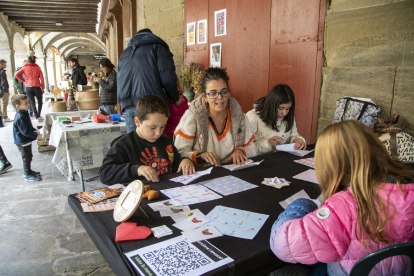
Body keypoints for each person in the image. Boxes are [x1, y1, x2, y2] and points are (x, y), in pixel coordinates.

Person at [270, 120, 414, 276]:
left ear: (333, 165)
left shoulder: (345, 206)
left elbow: (283, 244)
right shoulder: (408, 192)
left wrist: (302, 205)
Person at [99, 95, 195, 185]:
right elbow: (105, 173)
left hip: (167, 191)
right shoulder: (124, 145)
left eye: (162, 127)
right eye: (153, 127)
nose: (158, 133)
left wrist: (183, 161)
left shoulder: (166, 141)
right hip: (139, 195)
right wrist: (137, 169)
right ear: (137, 122)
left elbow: (175, 161)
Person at [174, 67, 257, 167]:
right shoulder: (192, 117)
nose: (220, 97)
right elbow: (179, 152)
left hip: (232, 172)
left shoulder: (239, 117)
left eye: (224, 92)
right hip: (203, 174)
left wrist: (241, 151)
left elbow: (252, 148)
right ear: (204, 97)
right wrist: (200, 156)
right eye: (213, 93)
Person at [117, 28, 184, 133]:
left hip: (128, 106)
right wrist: (176, 98)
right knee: (155, 145)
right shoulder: (158, 47)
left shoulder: (125, 53)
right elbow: (168, 79)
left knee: (134, 145)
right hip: (151, 105)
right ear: (150, 36)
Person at [246, 84, 306, 154]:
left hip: (283, 158)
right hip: (262, 160)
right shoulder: (253, 117)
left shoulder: (288, 116)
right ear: (271, 105)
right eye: (281, 108)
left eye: (288, 109)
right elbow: (247, 147)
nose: (284, 113)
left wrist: (298, 140)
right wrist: (268, 144)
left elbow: (294, 135)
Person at [11, 94, 42, 181]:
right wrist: (35, 135)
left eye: (28, 102)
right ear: (18, 106)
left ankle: (29, 171)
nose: (28, 104)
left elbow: (29, 126)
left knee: (29, 156)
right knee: (26, 158)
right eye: (25, 103)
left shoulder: (24, 113)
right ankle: (27, 174)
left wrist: (34, 130)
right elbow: (25, 132)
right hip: (22, 141)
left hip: (25, 141)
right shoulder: (20, 116)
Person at [15, 56, 45, 121]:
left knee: (32, 102)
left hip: (28, 87)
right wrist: (43, 88)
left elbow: (16, 75)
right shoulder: (38, 68)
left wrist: (23, 80)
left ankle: (36, 117)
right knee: (40, 102)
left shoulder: (25, 68)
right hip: (37, 87)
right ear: (35, 61)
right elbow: (42, 79)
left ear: (28, 61)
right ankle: (39, 115)